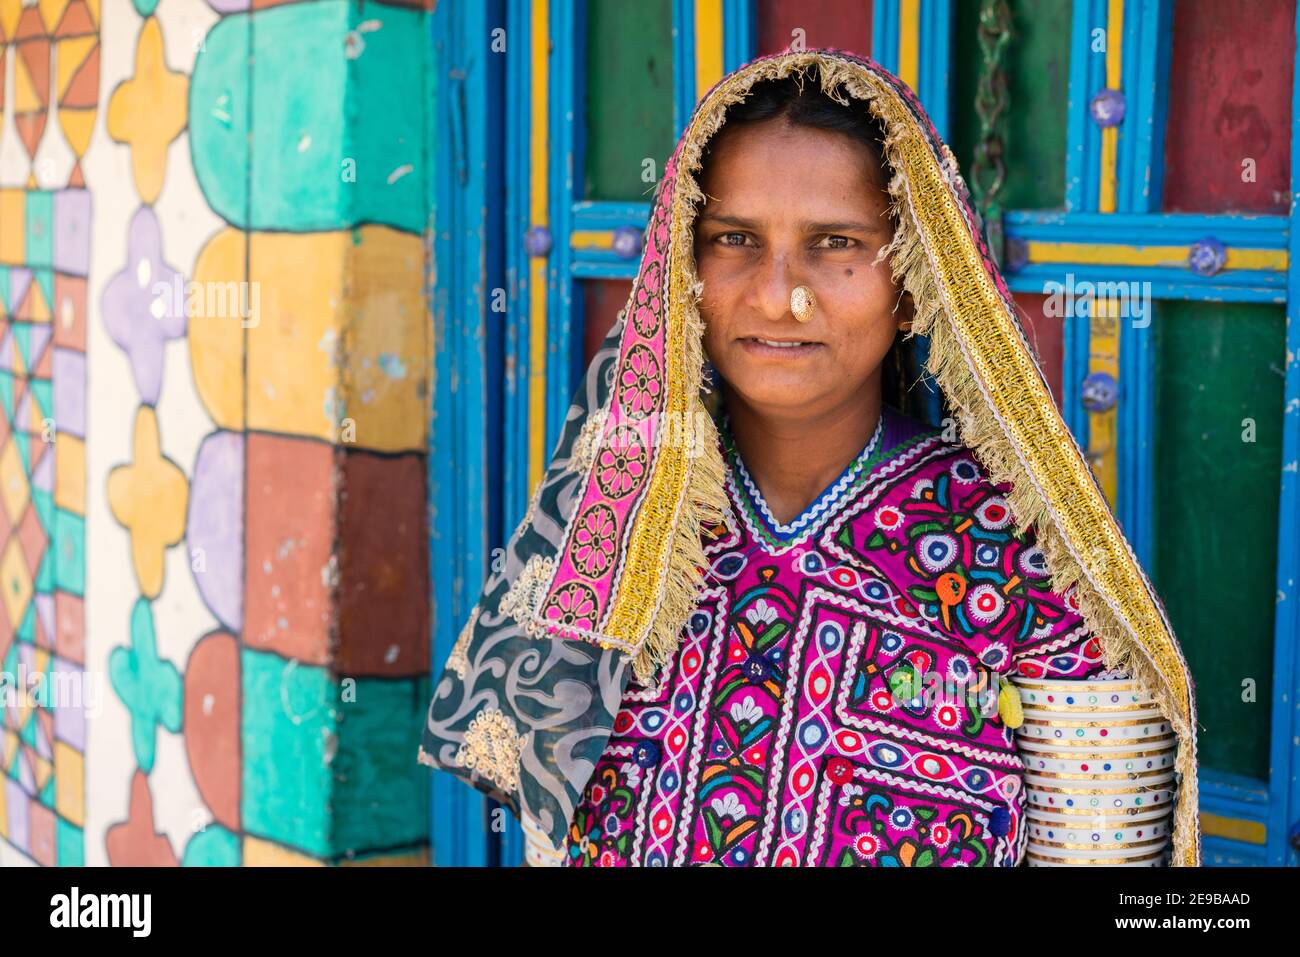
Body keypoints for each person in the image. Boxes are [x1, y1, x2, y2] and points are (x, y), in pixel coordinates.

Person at [418, 48, 1200, 868]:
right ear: (682, 265)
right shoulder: (611, 537)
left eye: (834, 242)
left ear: (911, 279)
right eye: (733, 239)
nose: (778, 293)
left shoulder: (1032, 563)